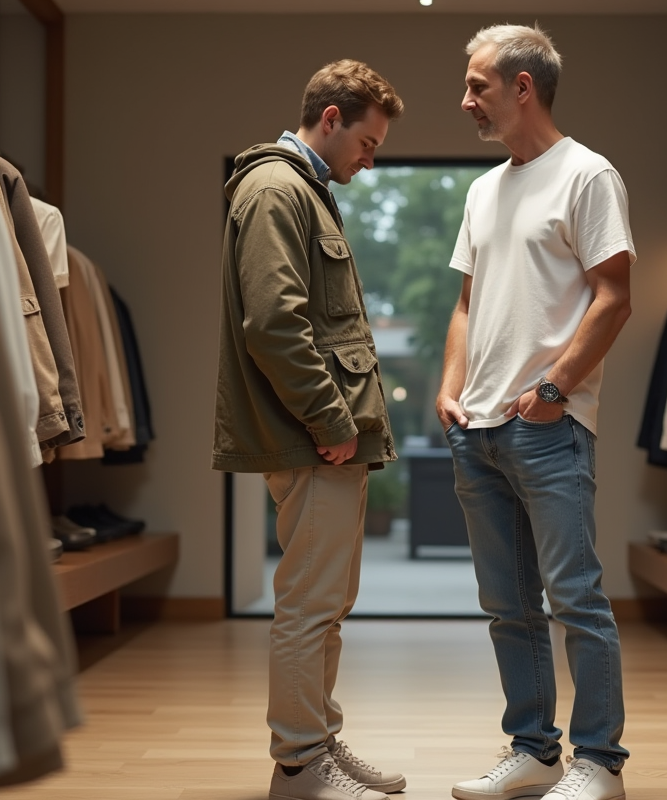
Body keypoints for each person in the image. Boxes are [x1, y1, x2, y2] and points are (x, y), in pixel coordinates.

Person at [436, 24, 636, 800]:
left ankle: (599, 765)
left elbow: (614, 297)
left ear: (523, 87)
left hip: (547, 428)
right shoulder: (483, 189)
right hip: (476, 430)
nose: (466, 100)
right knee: (507, 607)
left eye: (477, 85)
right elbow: (465, 303)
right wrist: (449, 390)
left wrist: (554, 391)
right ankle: (534, 752)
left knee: (575, 598)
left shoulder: (588, 175)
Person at [211, 60, 406, 800]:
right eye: (369, 141)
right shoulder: (276, 190)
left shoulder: (304, 190)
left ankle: (316, 744)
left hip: (326, 436)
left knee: (324, 605)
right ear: (332, 118)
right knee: (309, 604)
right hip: (315, 435)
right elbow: (274, 324)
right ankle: (299, 766)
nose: (370, 156)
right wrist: (331, 418)